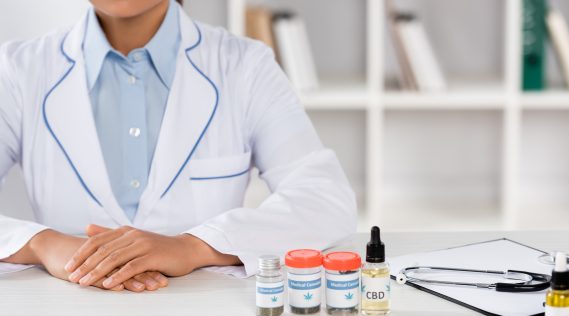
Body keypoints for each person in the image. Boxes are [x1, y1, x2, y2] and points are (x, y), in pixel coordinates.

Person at [0, 0, 356, 292]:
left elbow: (325, 198)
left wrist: (195, 246)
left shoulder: (245, 66)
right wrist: (41, 243)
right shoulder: (19, 70)